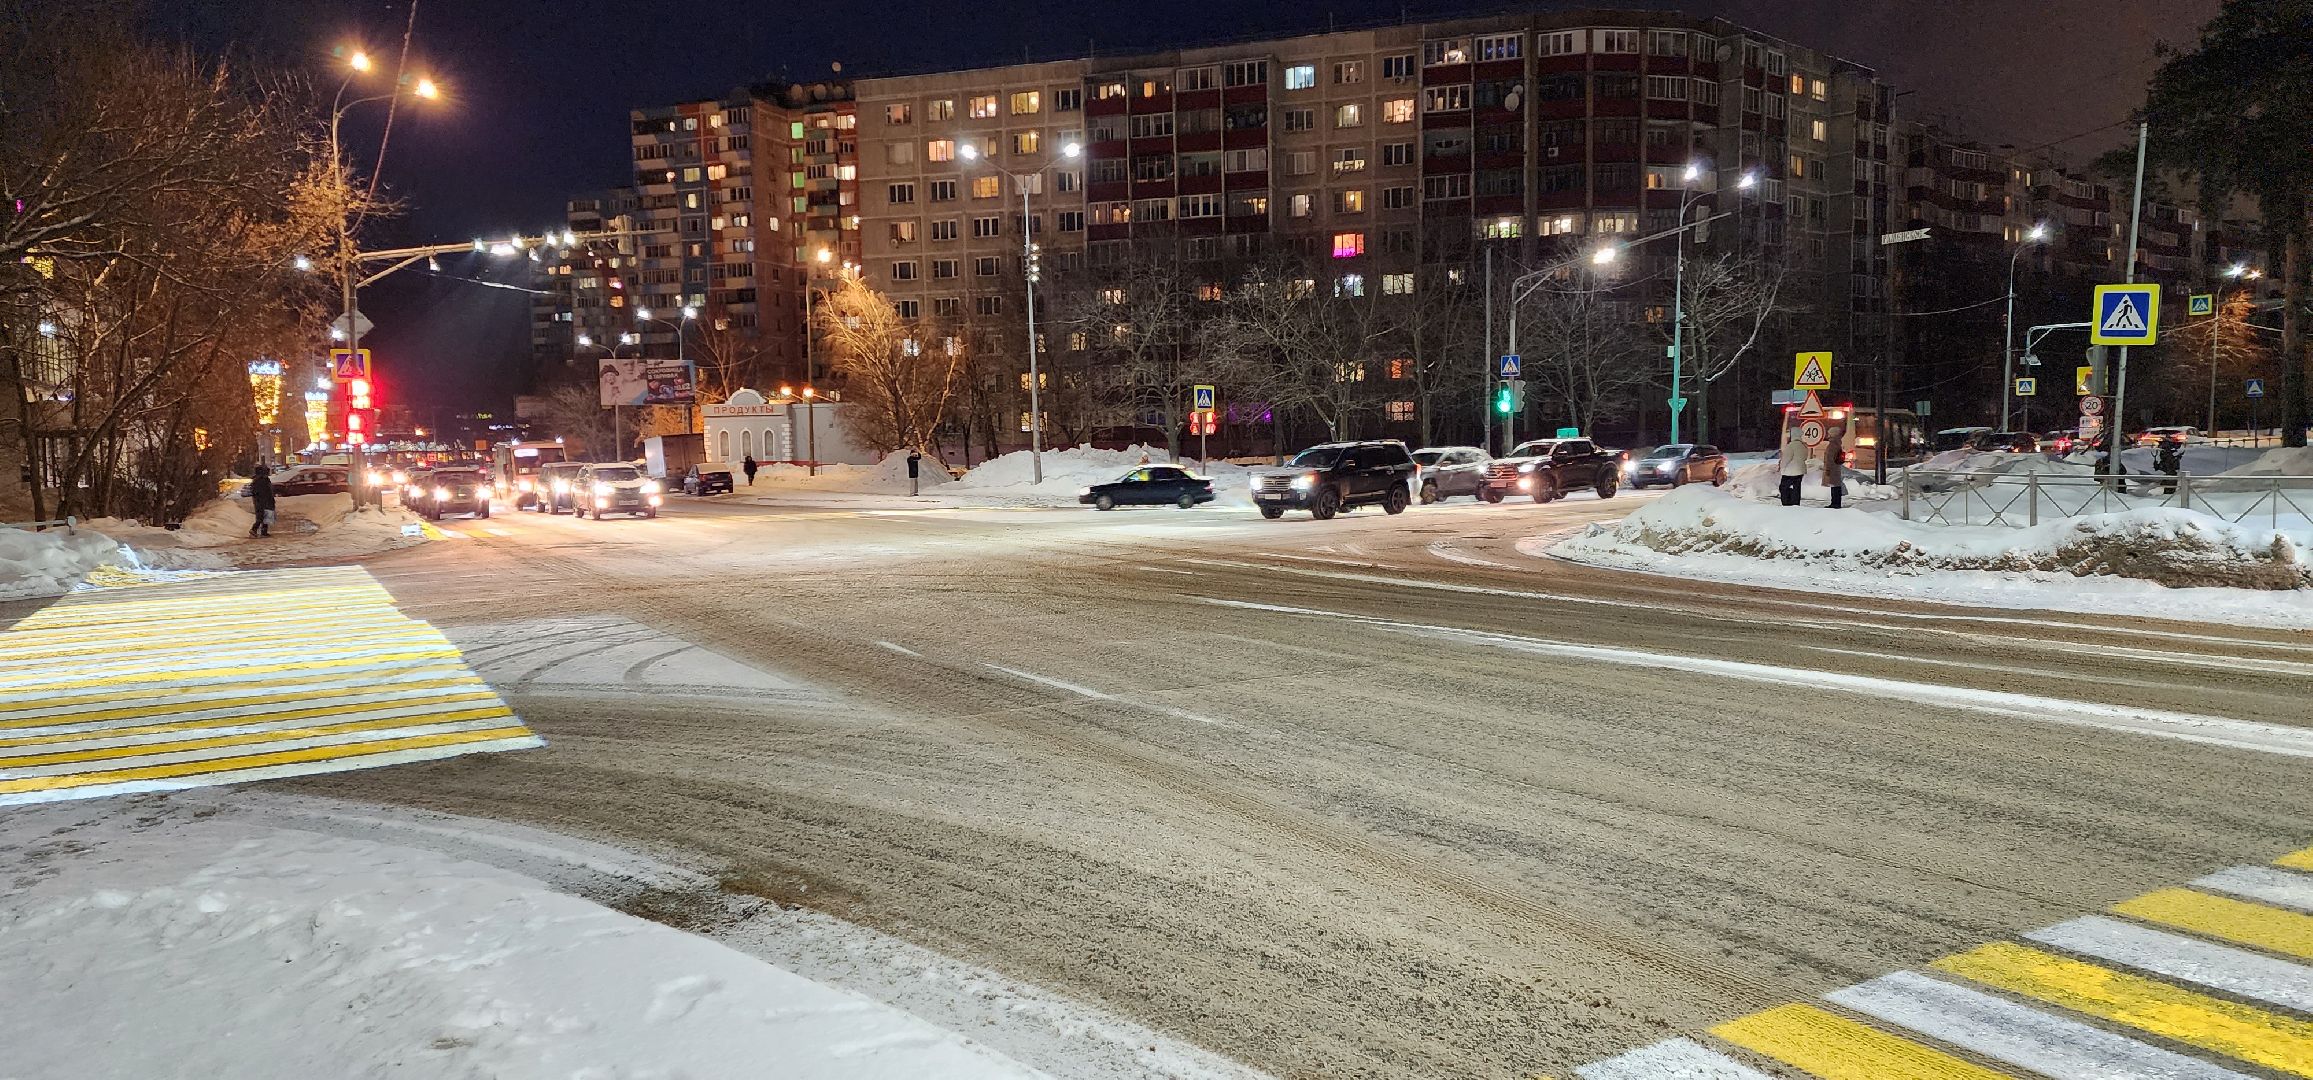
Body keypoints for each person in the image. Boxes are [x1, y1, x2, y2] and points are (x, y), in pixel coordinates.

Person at [1777, 421, 1808, 506]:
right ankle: (1795, 503)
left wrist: (1781, 468)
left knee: (1783, 487)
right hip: (1800, 471)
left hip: (1790, 471)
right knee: (1796, 488)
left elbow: (1786, 459)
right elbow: (1805, 457)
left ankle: (1787, 503)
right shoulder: (1803, 446)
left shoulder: (1791, 446)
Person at [1821, 419, 1849, 510]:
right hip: (1836, 468)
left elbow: (1829, 459)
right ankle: (1836, 502)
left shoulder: (1832, 445)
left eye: (1829, 433)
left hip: (1832, 468)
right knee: (1836, 485)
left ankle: (1835, 503)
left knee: (1834, 486)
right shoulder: (1837, 443)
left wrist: (1828, 470)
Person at [248, 465, 275, 538]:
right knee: (262, 516)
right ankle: (254, 529)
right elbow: (262, 491)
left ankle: (264, 531)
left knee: (266, 516)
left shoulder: (262, 479)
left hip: (264, 500)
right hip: (262, 501)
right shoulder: (260, 480)